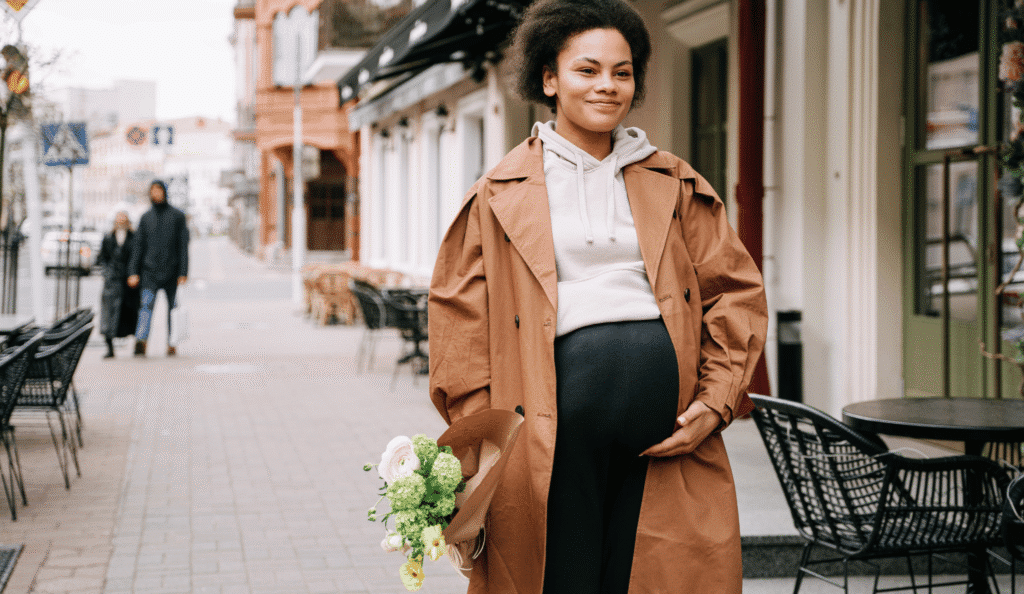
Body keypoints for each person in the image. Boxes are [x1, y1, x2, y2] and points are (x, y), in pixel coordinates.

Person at [427, 0, 768, 592]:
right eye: (587, 70)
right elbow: (461, 323)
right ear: (549, 79)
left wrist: (715, 404)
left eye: (622, 71)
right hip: (545, 440)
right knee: (559, 576)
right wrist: (483, 441)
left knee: (659, 578)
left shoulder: (676, 182)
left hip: (669, 438)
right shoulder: (498, 193)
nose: (607, 86)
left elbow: (735, 292)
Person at [127, 180, 189, 357]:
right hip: (149, 272)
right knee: (146, 306)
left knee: (173, 309)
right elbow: (138, 247)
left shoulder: (177, 216)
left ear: (164, 192)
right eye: (153, 190)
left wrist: (183, 272)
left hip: (172, 272)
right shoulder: (146, 218)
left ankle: (172, 342)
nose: (156, 193)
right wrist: (133, 272)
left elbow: (183, 246)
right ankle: (141, 341)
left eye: (159, 190)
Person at [96, 209, 140, 359]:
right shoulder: (108, 237)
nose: (121, 221)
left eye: (124, 218)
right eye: (119, 218)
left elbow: (137, 256)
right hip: (112, 283)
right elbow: (102, 259)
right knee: (108, 316)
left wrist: (134, 274)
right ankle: (110, 348)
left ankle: (137, 345)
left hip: (129, 284)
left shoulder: (134, 238)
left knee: (132, 315)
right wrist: (107, 274)